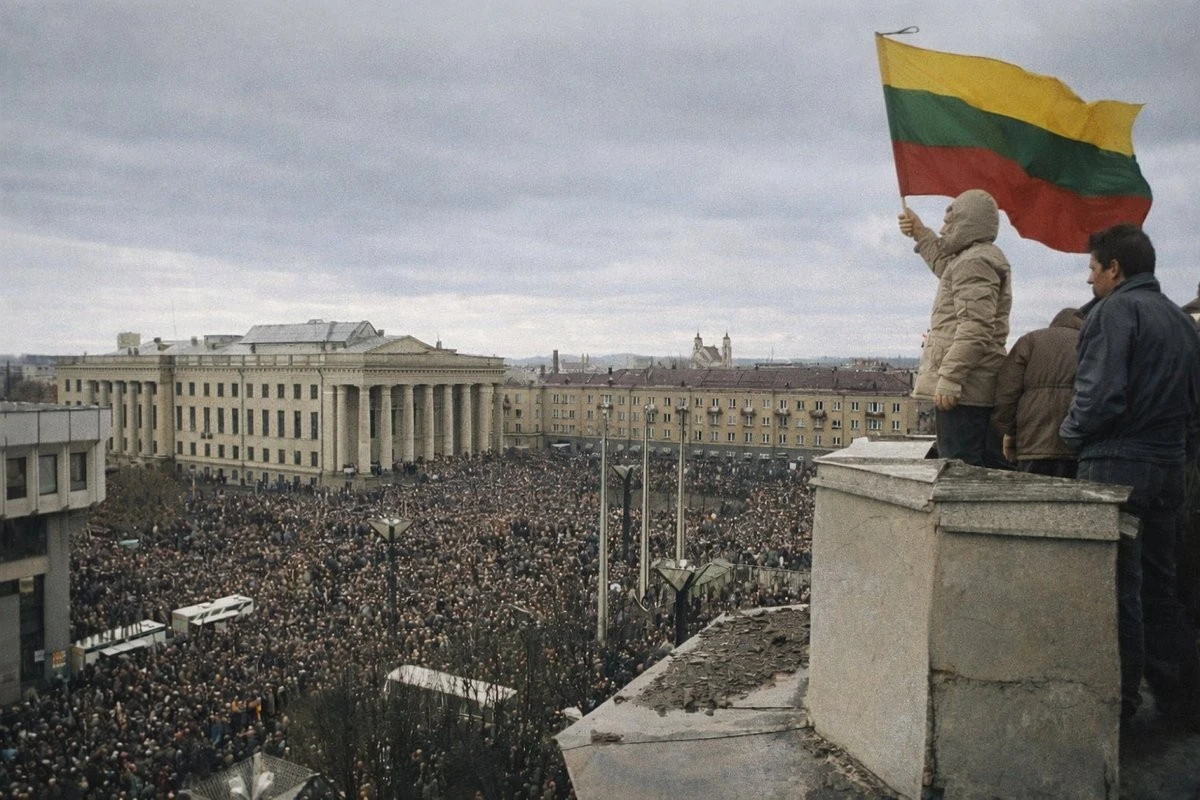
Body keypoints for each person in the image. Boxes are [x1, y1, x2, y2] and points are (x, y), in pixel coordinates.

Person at [1059, 223, 1200, 727]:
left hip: (1117, 465)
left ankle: (1117, 706)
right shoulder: (1181, 321)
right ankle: (1181, 703)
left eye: (1093, 270)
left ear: (1114, 269)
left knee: (1116, 589)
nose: (1091, 281)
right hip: (1170, 468)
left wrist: (1070, 436)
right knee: (1163, 589)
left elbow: (1099, 397)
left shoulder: (1116, 311)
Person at [899, 189, 1012, 467]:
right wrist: (920, 233)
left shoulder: (975, 261)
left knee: (960, 473)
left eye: (949, 223)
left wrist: (949, 378)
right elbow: (946, 268)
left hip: (964, 391)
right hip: (973, 387)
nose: (943, 228)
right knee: (980, 469)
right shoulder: (973, 259)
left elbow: (975, 327)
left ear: (967, 224)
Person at [991, 308, 1084, 477]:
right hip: (1077, 447)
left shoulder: (1029, 341)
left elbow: (1007, 394)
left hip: (1032, 444)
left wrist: (1011, 432)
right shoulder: (1091, 343)